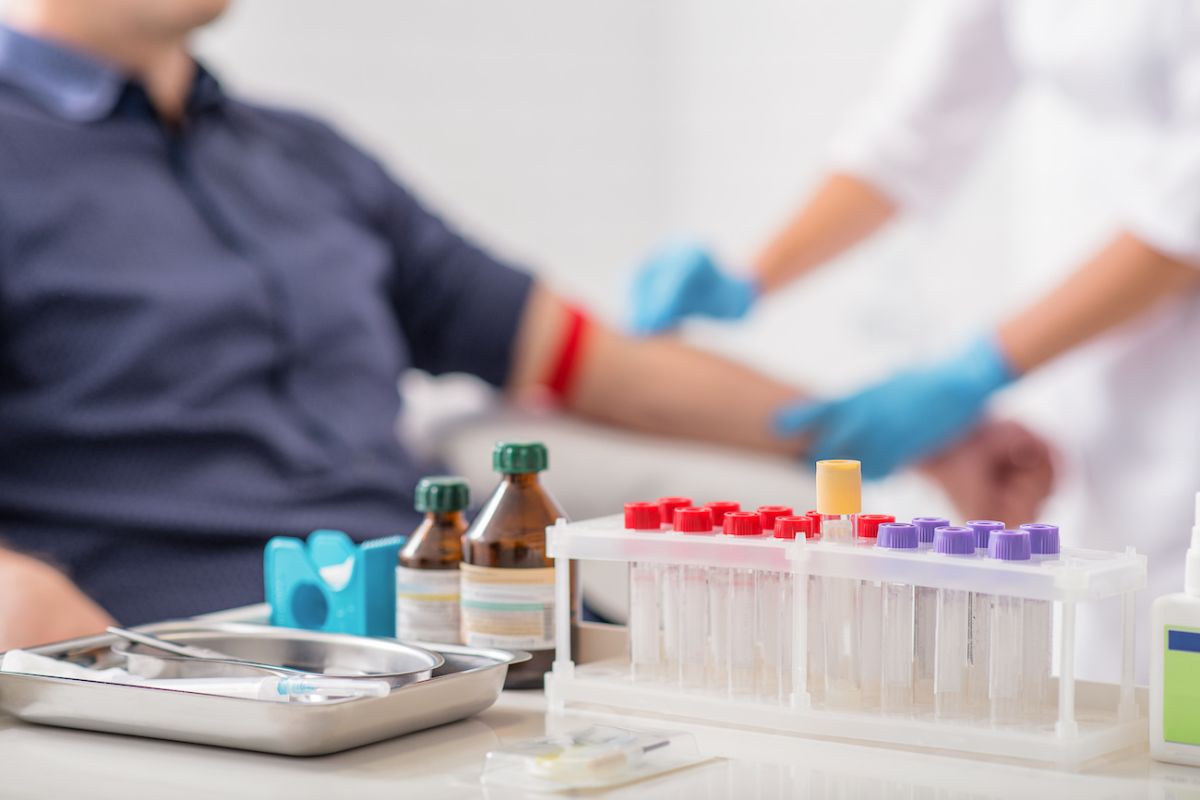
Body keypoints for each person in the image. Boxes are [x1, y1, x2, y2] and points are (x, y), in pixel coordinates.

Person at [0, 0, 1050, 650]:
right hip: (183, 656)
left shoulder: (308, 158)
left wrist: (906, 431)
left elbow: (591, 361)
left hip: (451, 642)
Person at [631, 0, 1200, 678]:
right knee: (1102, 659)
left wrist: (977, 368)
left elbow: (1184, 209)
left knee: (1170, 659)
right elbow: (912, 128)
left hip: (1172, 359)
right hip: (1079, 360)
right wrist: (751, 277)